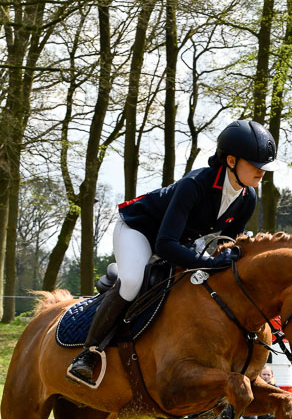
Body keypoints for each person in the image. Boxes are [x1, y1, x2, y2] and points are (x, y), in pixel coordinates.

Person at [67, 120, 277, 386]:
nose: (261, 172)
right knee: (132, 283)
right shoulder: (195, 184)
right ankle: (89, 353)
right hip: (140, 230)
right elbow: (166, 244)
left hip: (183, 239)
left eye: (263, 166)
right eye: (255, 165)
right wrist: (208, 263)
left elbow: (228, 242)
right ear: (232, 161)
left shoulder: (248, 197)